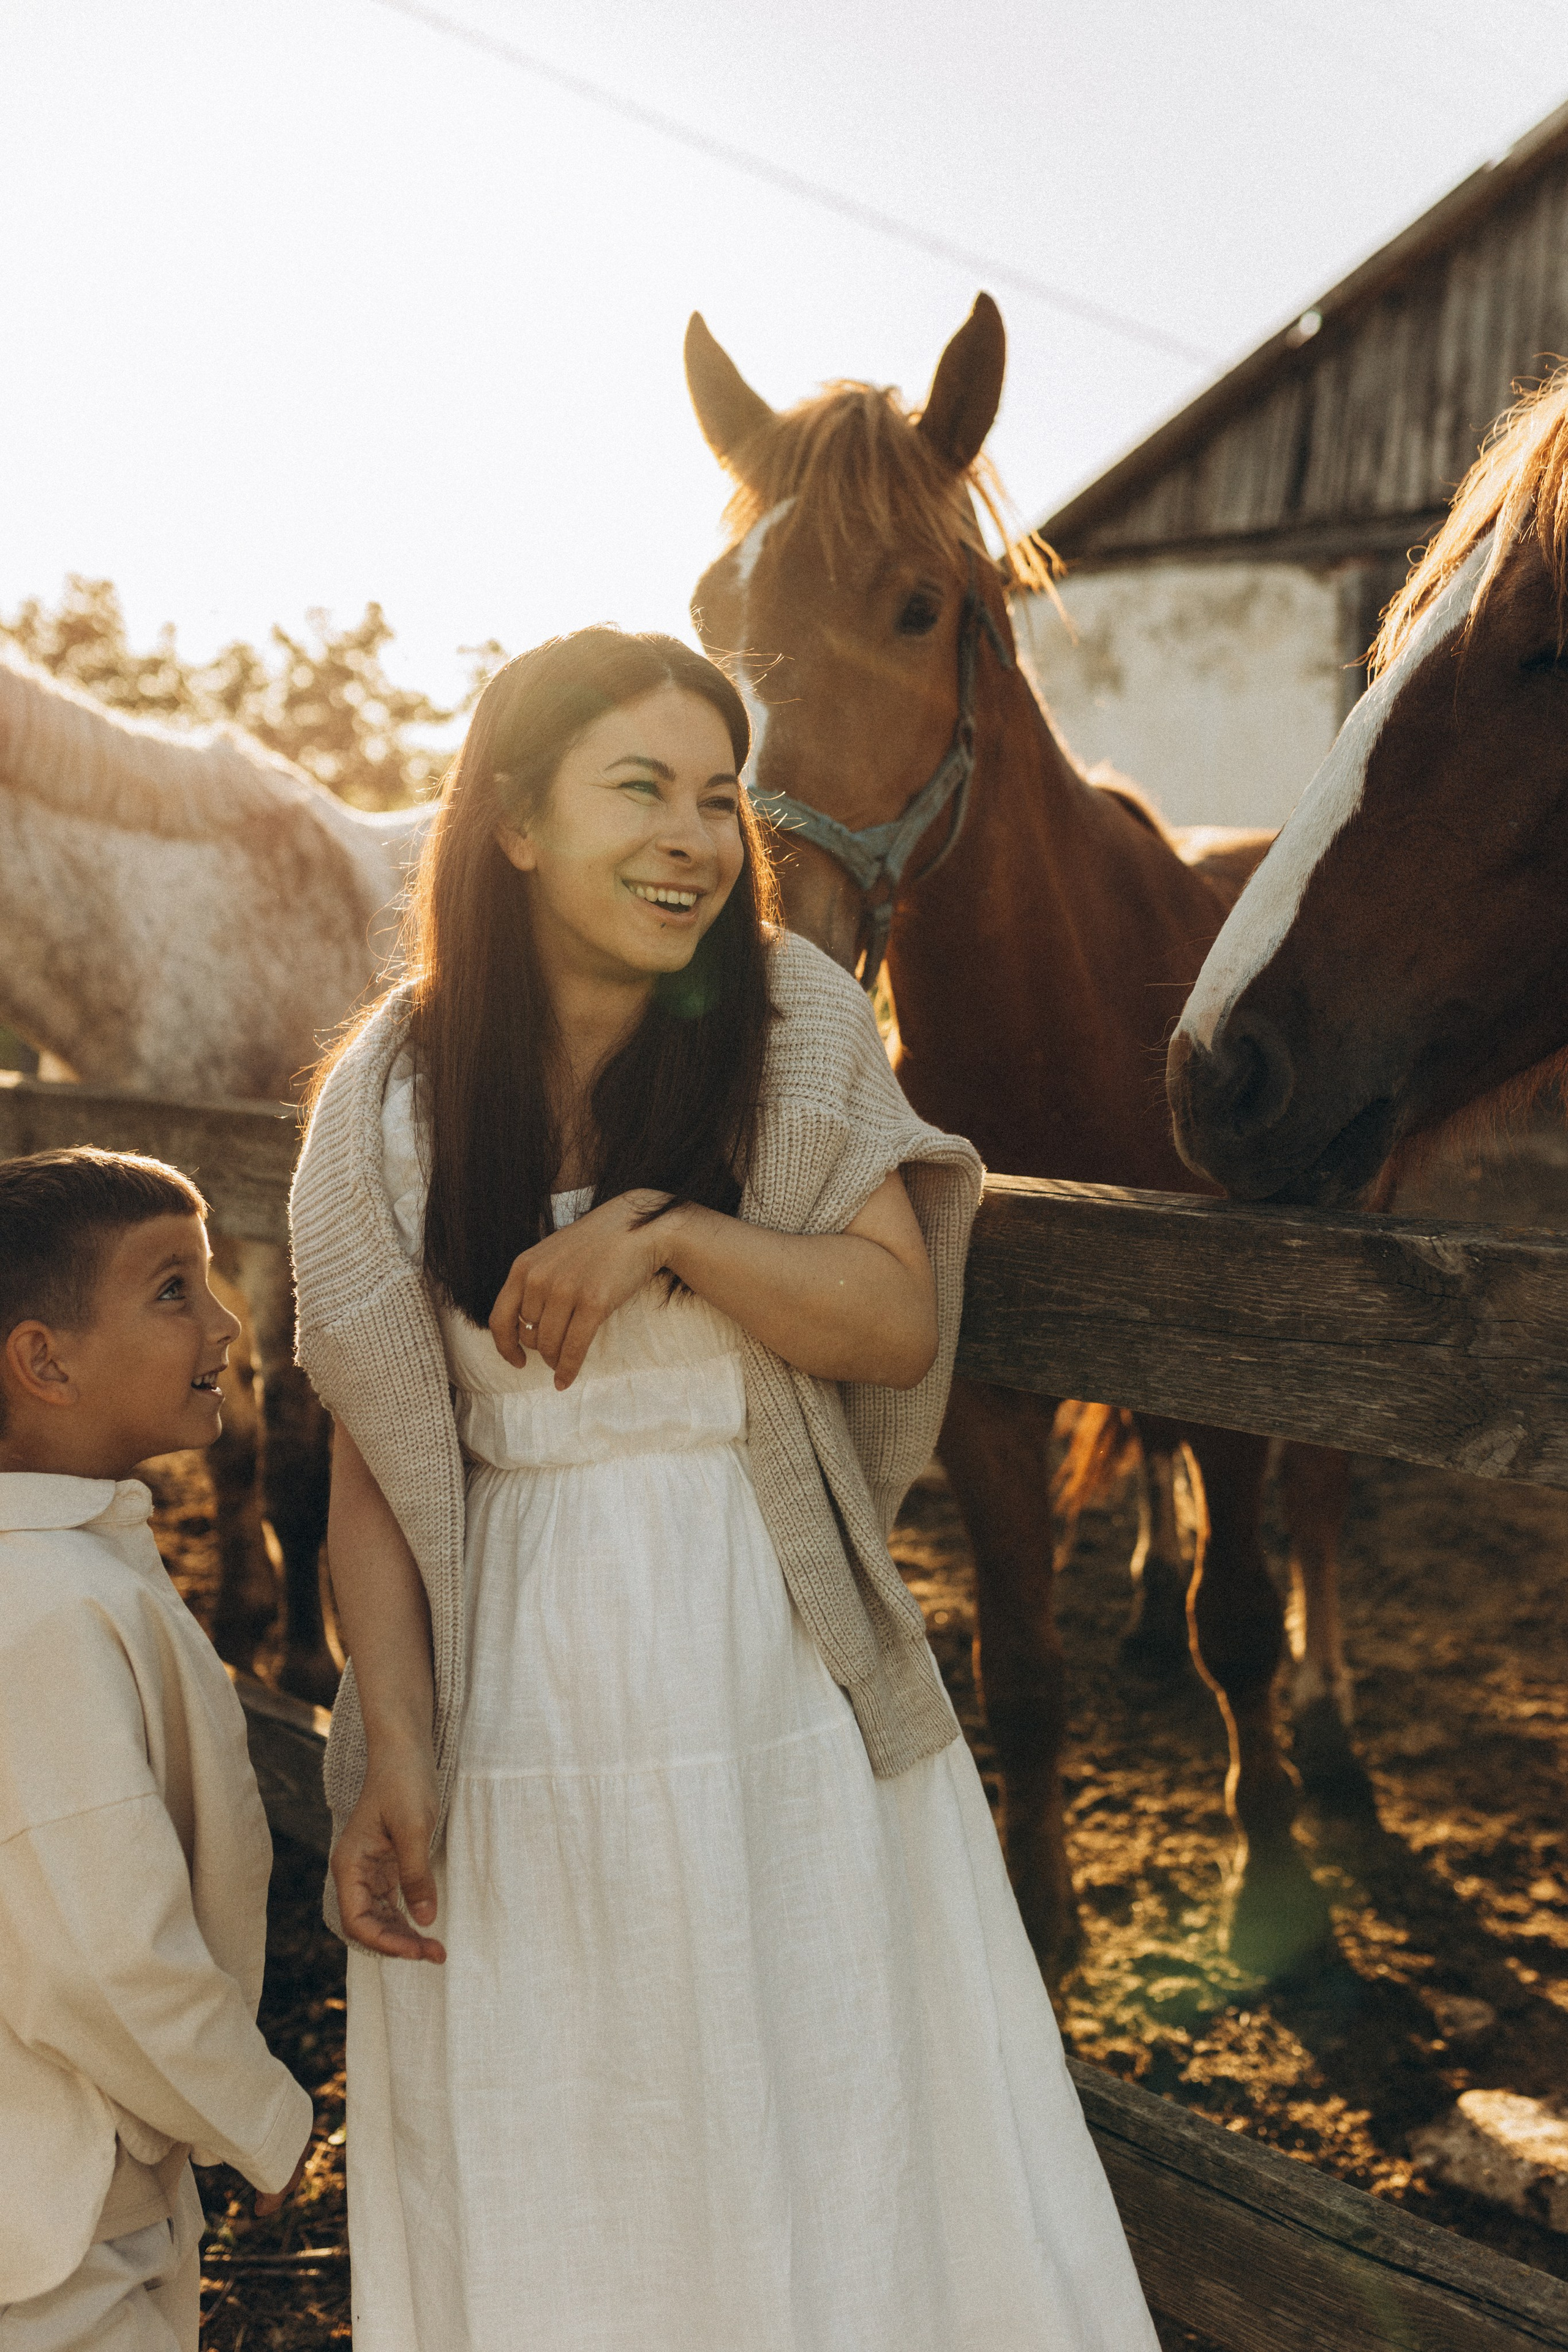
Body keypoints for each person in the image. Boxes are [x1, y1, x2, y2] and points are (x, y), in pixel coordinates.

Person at [291, 627, 1158, 2351]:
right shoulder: (394, 1087)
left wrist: (676, 1237)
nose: (694, 837)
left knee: (819, 2098)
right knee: (572, 2119)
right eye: (641, 792)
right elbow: (380, 1461)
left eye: (714, 797)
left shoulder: (794, 1026)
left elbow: (894, 1318)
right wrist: (397, 1748)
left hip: (763, 1648)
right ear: (516, 821)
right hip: (513, 1684)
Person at [0, 1148, 314, 2350]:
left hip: (86, 2195)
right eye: (173, 1287)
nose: (228, 1321)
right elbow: (104, 1956)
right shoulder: (41, 1615)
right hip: (51, 2240)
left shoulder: (75, 1574)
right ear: (44, 1360)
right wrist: (263, 2120)